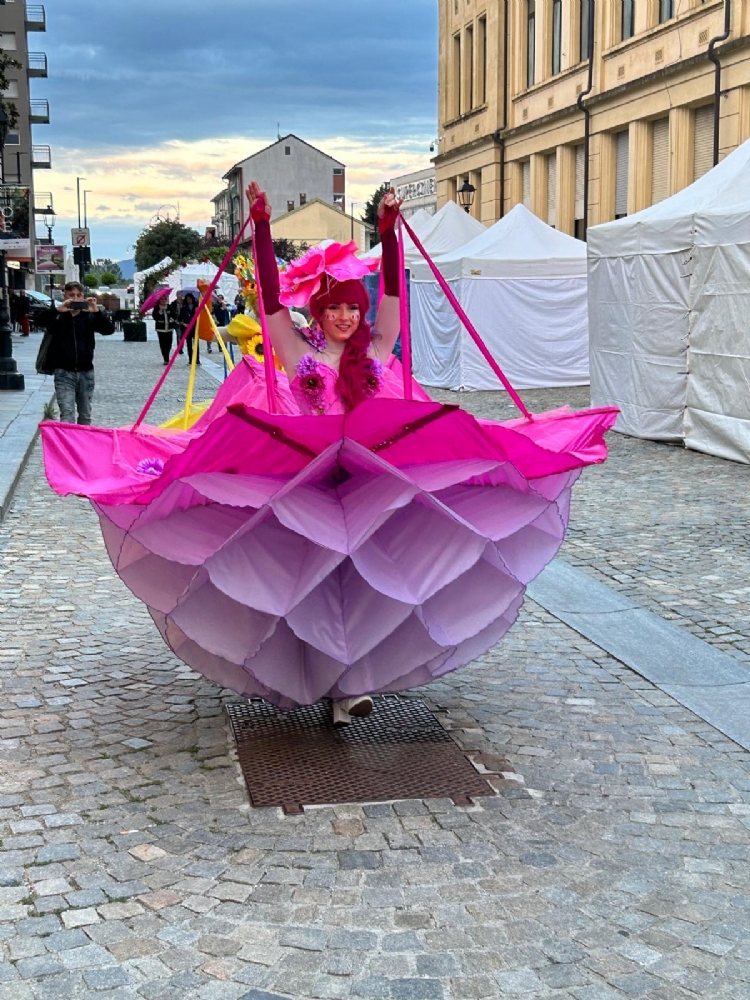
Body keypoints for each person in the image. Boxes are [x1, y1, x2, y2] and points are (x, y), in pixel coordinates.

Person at [247, 180, 404, 723]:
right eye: (334, 307)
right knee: (314, 584)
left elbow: (392, 299)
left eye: (351, 309)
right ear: (317, 311)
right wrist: (262, 229)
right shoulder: (296, 352)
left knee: (359, 583)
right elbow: (269, 302)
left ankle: (348, 687)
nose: (345, 317)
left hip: (367, 482)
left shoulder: (379, 348)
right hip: (309, 483)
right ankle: (324, 681)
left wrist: (389, 235)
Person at [41, 281, 114, 425]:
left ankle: (82, 445)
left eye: (78, 295)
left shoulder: (89, 317)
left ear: (83, 297)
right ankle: (67, 446)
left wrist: (97, 312)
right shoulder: (59, 316)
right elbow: (39, 321)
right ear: (64, 295)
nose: (75, 299)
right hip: (63, 372)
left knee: (85, 415)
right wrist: (57, 310)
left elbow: (109, 330)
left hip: (86, 372)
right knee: (67, 414)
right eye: (71, 295)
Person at [152, 295, 175, 364]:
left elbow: (174, 315)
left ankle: (167, 354)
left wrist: (172, 319)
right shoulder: (156, 307)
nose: (163, 301)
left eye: (164, 299)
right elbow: (155, 317)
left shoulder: (169, 306)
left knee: (169, 343)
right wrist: (160, 311)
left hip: (169, 328)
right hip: (161, 329)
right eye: (161, 299)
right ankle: (166, 358)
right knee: (162, 344)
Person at [179, 293, 199, 365]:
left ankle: (197, 359)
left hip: (195, 328)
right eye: (187, 299)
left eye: (190, 299)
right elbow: (180, 319)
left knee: (196, 344)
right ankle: (191, 359)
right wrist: (183, 324)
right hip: (187, 328)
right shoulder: (184, 308)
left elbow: (201, 317)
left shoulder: (196, 307)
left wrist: (198, 312)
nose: (189, 300)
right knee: (189, 345)